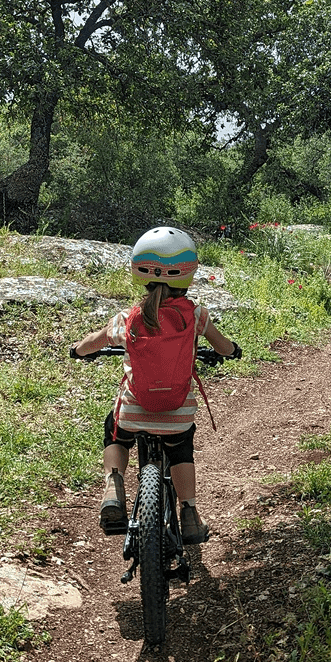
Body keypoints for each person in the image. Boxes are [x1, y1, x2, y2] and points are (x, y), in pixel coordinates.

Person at [70, 226, 240, 543]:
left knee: (115, 432)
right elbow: (223, 346)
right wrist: (232, 351)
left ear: (140, 271)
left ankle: (113, 486)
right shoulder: (197, 315)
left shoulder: (128, 317)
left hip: (135, 411)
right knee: (181, 450)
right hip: (176, 414)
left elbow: (94, 341)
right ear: (186, 273)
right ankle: (189, 514)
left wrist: (78, 350)